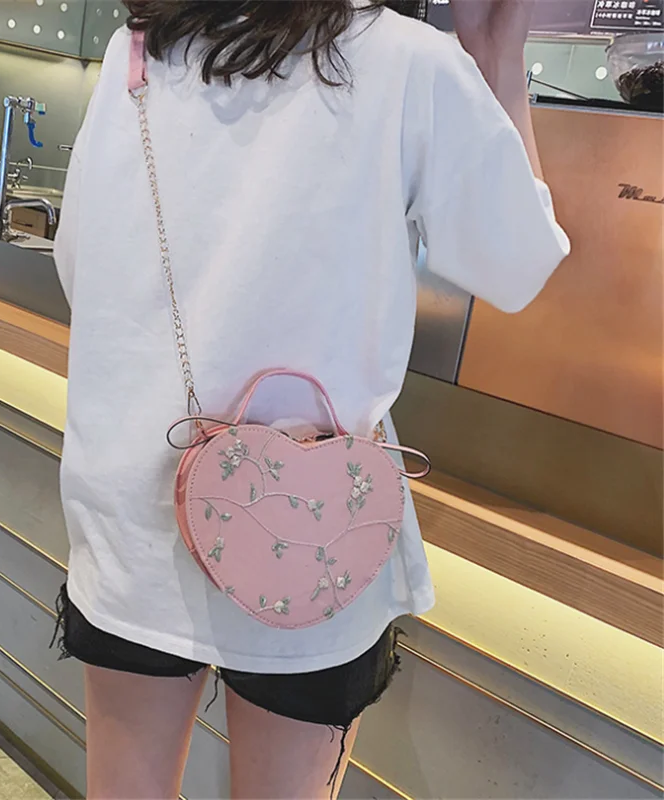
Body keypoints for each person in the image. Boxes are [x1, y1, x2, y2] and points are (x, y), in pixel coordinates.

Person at [52, 1, 570, 797]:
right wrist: (497, 53)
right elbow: (517, 264)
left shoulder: (140, 47)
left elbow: (79, 269)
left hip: (135, 520)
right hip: (313, 532)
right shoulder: (408, 62)